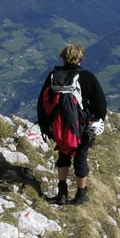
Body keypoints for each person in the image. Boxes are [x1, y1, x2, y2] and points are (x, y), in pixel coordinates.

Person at [37, 43, 107, 205]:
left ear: (63, 57)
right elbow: (100, 104)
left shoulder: (53, 76)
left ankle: (62, 193)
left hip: (59, 126)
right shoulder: (88, 77)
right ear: (80, 57)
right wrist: (96, 120)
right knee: (80, 159)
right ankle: (80, 196)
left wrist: (46, 126)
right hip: (81, 127)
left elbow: (42, 103)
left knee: (63, 156)